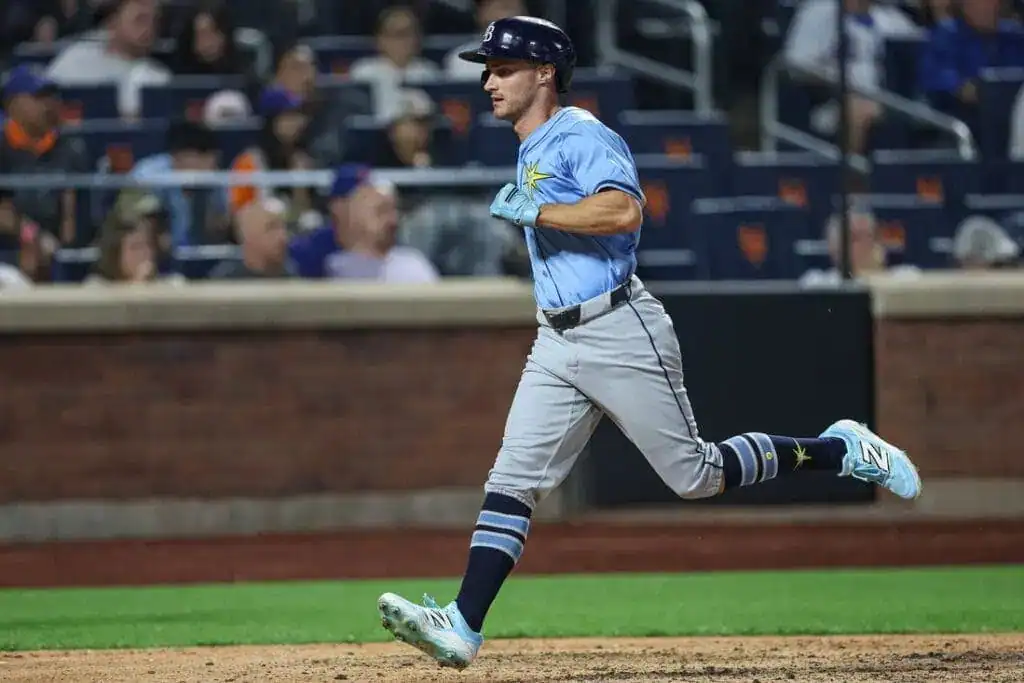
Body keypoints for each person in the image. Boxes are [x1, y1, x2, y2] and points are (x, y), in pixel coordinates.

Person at [375, 16, 923, 670]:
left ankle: (841, 448)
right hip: (556, 336)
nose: (489, 80)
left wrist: (539, 212)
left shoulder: (582, 134)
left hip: (617, 326)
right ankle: (463, 623)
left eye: (503, 68)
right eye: (488, 69)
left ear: (544, 73)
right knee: (513, 478)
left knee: (697, 474)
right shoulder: (531, 143)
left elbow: (625, 210)